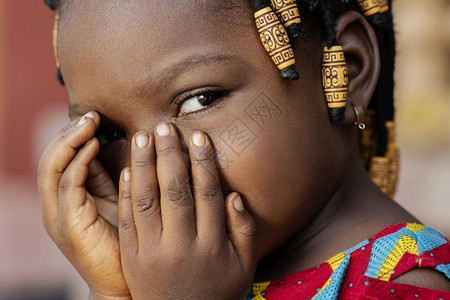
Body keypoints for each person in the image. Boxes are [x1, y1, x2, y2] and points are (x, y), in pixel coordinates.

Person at [37, 0, 450, 299]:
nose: (159, 171)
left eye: (200, 100)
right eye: (110, 135)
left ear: (347, 66)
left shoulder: (404, 288)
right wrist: (112, 291)